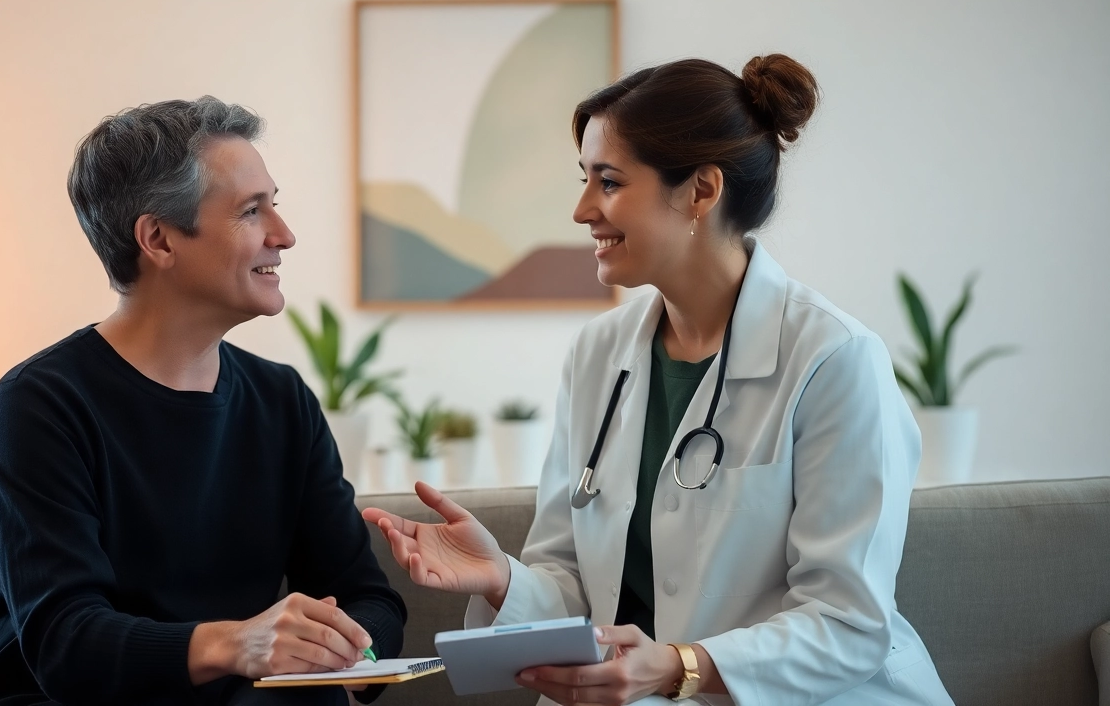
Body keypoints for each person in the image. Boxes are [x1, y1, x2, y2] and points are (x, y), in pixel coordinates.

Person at [363, 56, 952, 705]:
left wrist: (678, 666)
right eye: (585, 180)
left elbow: (847, 623)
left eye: (609, 182)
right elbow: (572, 583)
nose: (582, 209)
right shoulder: (598, 354)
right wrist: (502, 577)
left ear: (701, 190)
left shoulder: (834, 359)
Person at [0, 97, 405, 706]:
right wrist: (239, 644)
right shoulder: (38, 405)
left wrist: (346, 658)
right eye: (252, 211)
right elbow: (67, 642)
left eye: (274, 204)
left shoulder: (283, 401)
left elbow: (368, 599)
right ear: (159, 239)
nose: (284, 235)